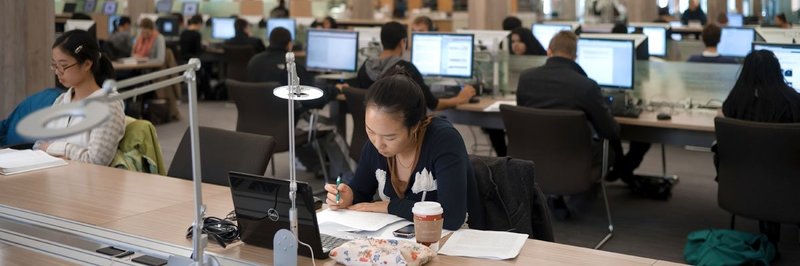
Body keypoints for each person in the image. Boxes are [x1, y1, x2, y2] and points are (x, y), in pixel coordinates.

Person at [325, 69, 486, 231]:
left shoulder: (443, 141)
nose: (378, 144)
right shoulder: (374, 146)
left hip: (456, 242)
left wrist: (390, 207)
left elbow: (451, 217)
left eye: (390, 137)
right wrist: (349, 196)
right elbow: (361, 192)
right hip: (403, 239)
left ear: (414, 126)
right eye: (370, 131)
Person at [717, 49, 800, 247]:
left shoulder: (733, 103)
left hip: (744, 181)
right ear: (777, 71)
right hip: (788, 179)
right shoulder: (793, 102)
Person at [34, 30, 125, 165]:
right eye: (55, 65)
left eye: (64, 66)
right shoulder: (62, 100)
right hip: (56, 178)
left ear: (87, 64)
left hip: (87, 183)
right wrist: (67, 155)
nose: (58, 72)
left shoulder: (108, 106)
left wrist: (57, 148)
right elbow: (39, 145)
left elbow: (96, 161)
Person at [345, 22, 475, 111]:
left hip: (372, 135)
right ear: (403, 42)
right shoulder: (406, 70)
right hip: (399, 139)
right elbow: (434, 105)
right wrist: (460, 98)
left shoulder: (365, 67)